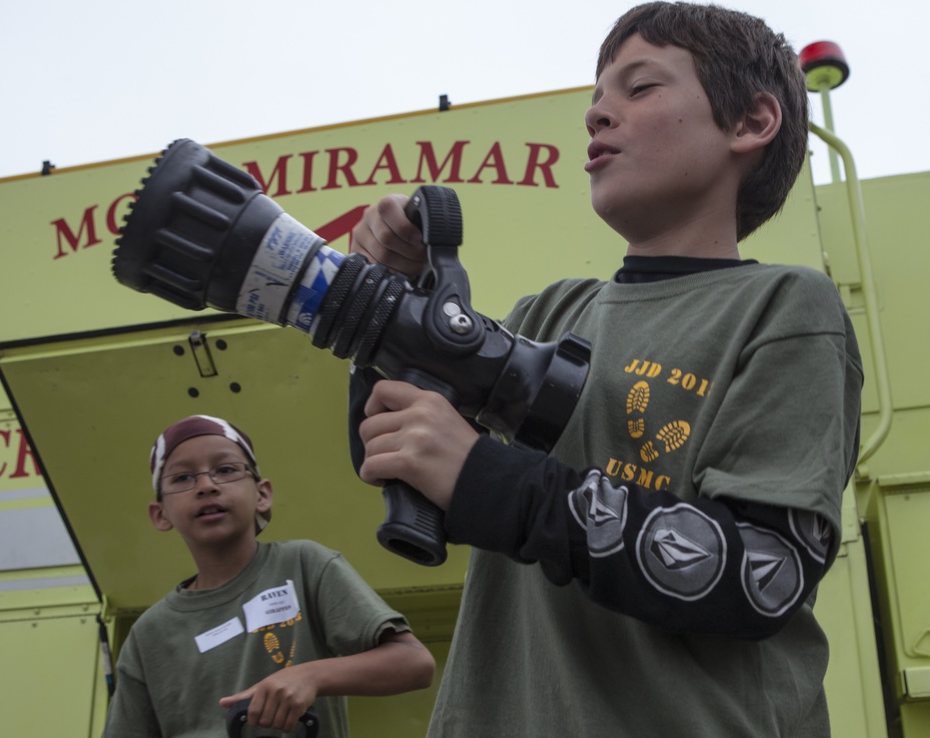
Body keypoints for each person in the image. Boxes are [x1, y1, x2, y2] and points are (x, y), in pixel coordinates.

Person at [347, 2, 864, 736]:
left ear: (751, 122)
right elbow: (394, 455)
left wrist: (495, 482)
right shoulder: (545, 314)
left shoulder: (785, 306)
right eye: (594, 99)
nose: (596, 114)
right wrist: (392, 308)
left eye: (639, 87)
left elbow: (763, 574)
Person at [102, 414, 435, 737]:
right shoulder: (149, 635)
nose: (206, 485)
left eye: (226, 470)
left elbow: (414, 663)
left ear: (262, 495)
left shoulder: (304, 566)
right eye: (183, 478)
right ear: (160, 514)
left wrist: (310, 676)